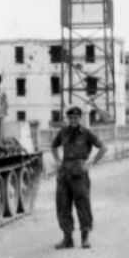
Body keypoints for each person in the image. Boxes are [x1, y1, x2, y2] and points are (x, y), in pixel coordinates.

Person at [51, 106, 107, 250]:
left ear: (80, 118)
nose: (73, 120)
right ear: (67, 118)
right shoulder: (63, 132)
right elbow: (53, 146)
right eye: (70, 118)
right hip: (64, 173)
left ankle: (85, 238)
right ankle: (67, 238)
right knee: (63, 205)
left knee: (83, 205)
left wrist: (91, 162)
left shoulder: (86, 133)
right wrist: (57, 161)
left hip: (79, 173)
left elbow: (103, 147)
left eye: (75, 118)